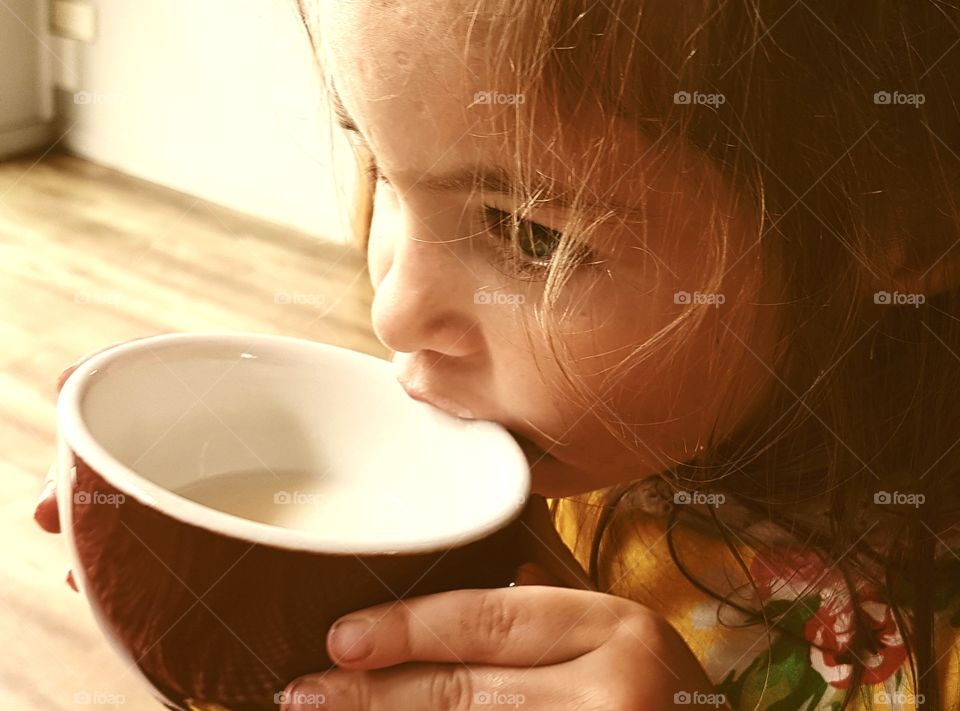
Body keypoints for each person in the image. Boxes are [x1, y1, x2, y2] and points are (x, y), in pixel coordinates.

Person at [38, 1, 960, 708]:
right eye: (379, 165)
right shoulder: (570, 453)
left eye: (530, 236)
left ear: (894, 219)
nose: (396, 309)